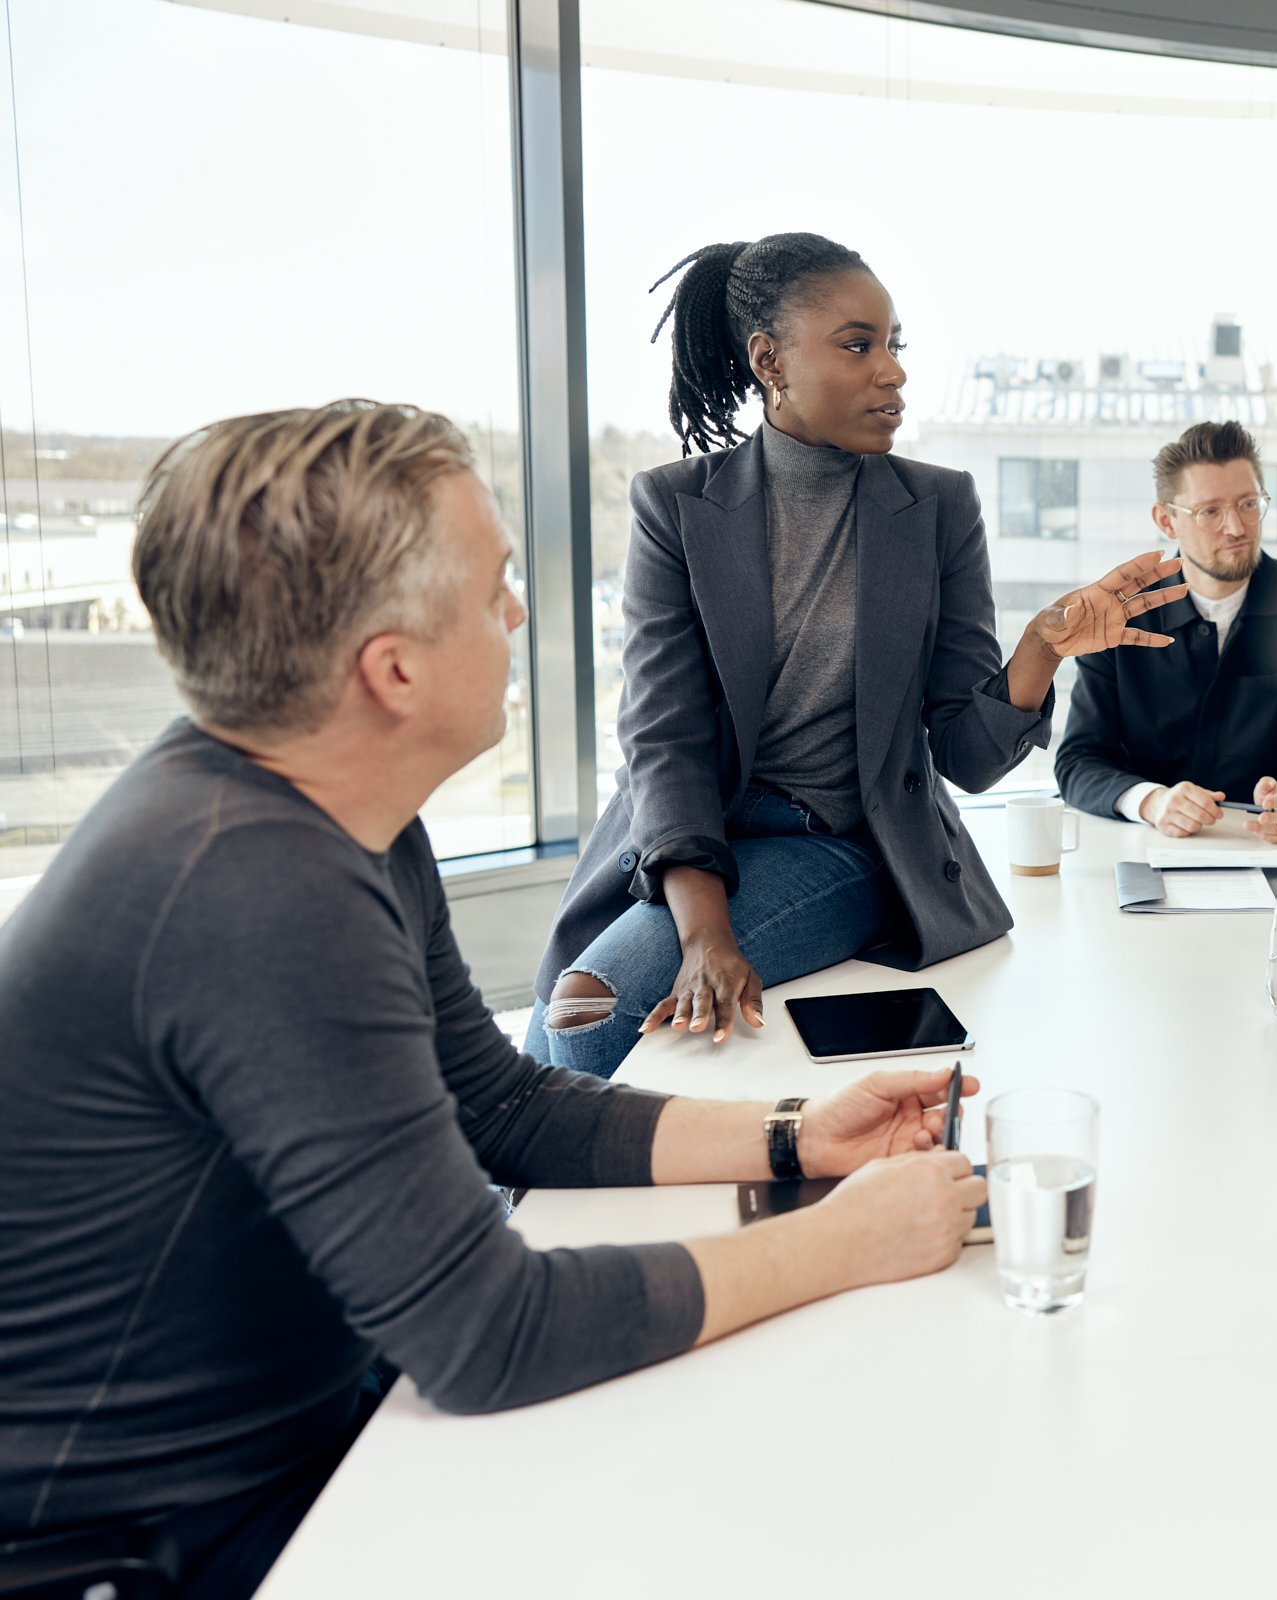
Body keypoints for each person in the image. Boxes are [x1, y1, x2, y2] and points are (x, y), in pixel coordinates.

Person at [0, 402, 987, 1599]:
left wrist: (790, 1134)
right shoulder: (255, 887)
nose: (516, 614)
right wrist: (839, 1240)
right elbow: (487, 1334)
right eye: (492, 588)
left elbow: (497, 1107)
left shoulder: (329, 805)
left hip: (310, 1430)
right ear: (394, 669)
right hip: (151, 1538)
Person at [531, 234, 1187, 1077]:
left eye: (894, 344)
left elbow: (964, 757)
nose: (893, 371)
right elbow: (665, 738)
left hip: (838, 840)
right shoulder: (676, 505)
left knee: (588, 1020)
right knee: (550, 1035)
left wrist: (1039, 649)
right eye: (857, 344)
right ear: (770, 360)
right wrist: (704, 936)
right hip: (689, 836)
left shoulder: (935, 506)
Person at [1052, 420, 1277, 840]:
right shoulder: (1118, 613)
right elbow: (1078, 761)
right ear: (1167, 521)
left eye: (1249, 504)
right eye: (1210, 511)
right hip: (1147, 847)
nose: (1236, 528)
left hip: (1273, 851)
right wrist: (1152, 801)